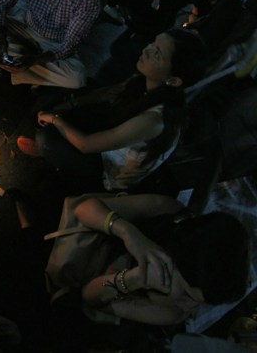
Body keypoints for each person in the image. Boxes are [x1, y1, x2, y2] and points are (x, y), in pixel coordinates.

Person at [17, 28, 208, 191]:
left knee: (47, 138)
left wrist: (55, 118)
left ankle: (49, 156)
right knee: (53, 99)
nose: (147, 49)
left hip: (108, 171)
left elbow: (86, 144)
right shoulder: (144, 82)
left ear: (173, 80)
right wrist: (68, 105)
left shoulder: (155, 120)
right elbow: (105, 94)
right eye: (152, 43)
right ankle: (53, 146)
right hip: (109, 136)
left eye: (157, 54)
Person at [70, 193, 249, 325]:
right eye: (187, 294)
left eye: (199, 303)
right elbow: (83, 209)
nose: (188, 306)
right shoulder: (168, 213)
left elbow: (89, 297)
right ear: (171, 257)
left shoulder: (172, 312)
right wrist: (128, 232)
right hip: (70, 244)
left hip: (68, 281)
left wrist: (135, 279)